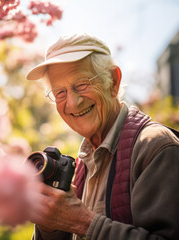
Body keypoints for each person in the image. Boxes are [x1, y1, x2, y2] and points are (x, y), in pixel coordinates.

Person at [26, 33, 179, 240]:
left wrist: (82, 222)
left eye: (81, 84)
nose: (72, 103)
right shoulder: (80, 163)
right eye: (60, 92)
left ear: (113, 82)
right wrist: (49, 222)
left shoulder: (155, 147)